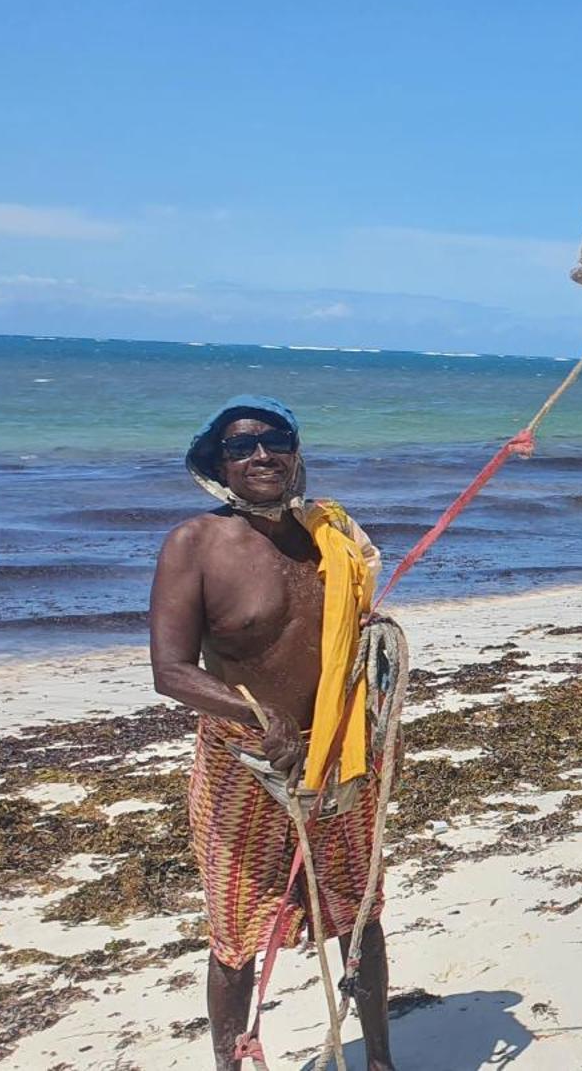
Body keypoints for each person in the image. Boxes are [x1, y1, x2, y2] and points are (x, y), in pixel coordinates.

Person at [148, 395, 396, 1071]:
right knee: (235, 933)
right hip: (243, 761)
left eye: (274, 439)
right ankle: (234, 1062)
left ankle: (378, 1060)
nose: (261, 454)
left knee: (359, 912)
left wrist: (379, 645)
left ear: (295, 449)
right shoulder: (194, 545)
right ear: (218, 465)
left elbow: (362, 621)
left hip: (341, 752)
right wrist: (259, 716)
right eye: (240, 446)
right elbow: (169, 670)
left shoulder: (332, 537)